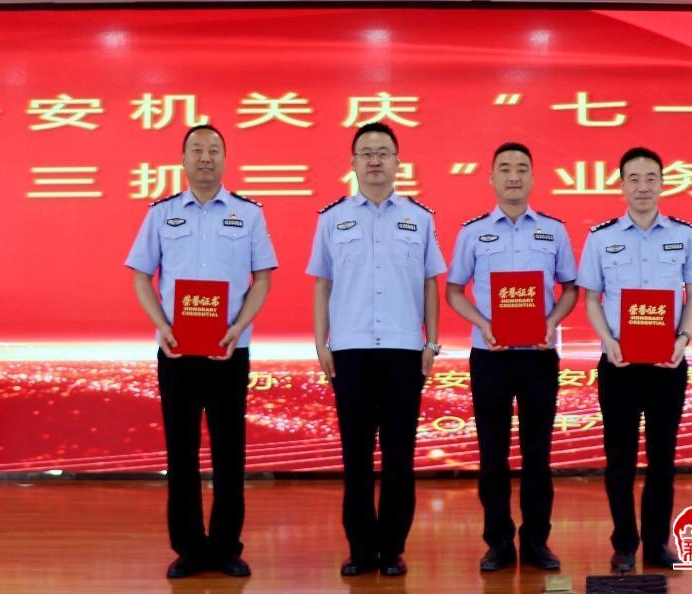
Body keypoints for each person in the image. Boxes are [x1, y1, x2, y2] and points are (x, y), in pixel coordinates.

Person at [126, 124, 277, 578]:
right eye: (197, 150)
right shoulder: (162, 214)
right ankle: (189, 548)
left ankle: (227, 547)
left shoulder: (248, 214)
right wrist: (162, 326)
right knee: (181, 452)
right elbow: (141, 275)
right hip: (177, 352)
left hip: (230, 351)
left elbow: (262, 279)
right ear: (184, 160)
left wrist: (238, 328)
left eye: (213, 150)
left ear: (225, 159)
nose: (205, 157)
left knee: (230, 452)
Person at [306, 122, 446, 577]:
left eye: (383, 152)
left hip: (404, 350)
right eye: (365, 152)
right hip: (350, 350)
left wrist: (431, 342)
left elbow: (431, 284)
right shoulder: (332, 218)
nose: (374, 160)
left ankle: (393, 549)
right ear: (352, 163)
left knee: (399, 456)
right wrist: (321, 343)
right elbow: (323, 284)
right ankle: (361, 549)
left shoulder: (419, 218)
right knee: (357, 456)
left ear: (398, 162)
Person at [445, 142, 578, 571]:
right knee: (493, 453)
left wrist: (552, 320)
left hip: (538, 355)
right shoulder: (473, 232)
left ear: (534, 177)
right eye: (504, 168)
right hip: (491, 354)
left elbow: (570, 289)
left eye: (522, 168)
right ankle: (499, 542)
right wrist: (482, 323)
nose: (514, 176)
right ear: (491, 178)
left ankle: (537, 542)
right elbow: (454, 291)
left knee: (538, 453)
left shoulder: (554, 231)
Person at [575, 146, 692, 571]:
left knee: (662, 458)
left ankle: (657, 544)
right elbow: (591, 298)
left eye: (651, 178)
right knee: (620, 460)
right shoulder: (601, 237)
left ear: (663, 184)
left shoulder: (684, 235)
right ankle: (624, 544)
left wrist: (683, 338)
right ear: (622, 186)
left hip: (668, 363)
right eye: (634, 178)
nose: (643, 186)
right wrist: (607, 341)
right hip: (620, 365)